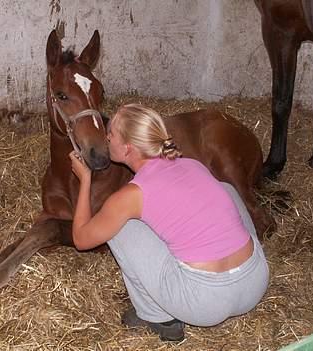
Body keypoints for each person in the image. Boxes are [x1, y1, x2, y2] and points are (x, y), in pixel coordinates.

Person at [69, 103, 269, 342]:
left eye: (110, 135)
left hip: (204, 302)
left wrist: (85, 179)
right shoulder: (193, 164)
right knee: (225, 188)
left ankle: (157, 317)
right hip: (255, 281)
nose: (106, 140)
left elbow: (81, 239)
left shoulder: (131, 196)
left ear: (127, 149)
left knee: (120, 223)